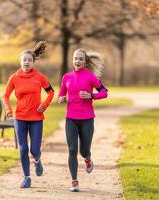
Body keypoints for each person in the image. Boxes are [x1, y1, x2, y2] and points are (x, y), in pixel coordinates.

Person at [2, 41, 54, 188]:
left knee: (34, 150)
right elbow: (5, 96)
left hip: (36, 118)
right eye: (24, 60)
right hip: (20, 118)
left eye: (29, 60)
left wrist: (44, 105)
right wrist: (8, 110)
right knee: (23, 148)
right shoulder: (14, 78)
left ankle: (37, 160)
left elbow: (51, 92)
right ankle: (26, 177)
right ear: (20, 61)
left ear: (33, 62)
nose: (26, 62)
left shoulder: (39, 77)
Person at [58, 48, 108, 192]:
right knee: (72, 149)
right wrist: (61, 98)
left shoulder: (91, 77)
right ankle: (74, 181)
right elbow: (62, 93)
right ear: (72, 60)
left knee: (83, 150)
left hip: (87, 119)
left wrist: (91, 96)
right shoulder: (66, 77)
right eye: (75, 58)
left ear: (85, 62)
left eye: (80, 59)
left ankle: (87, 159)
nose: (77, 61)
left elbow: (104, 93)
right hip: (71, 119)